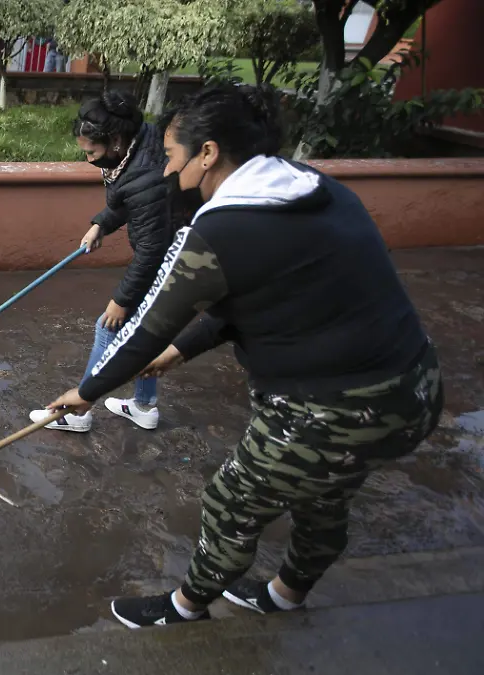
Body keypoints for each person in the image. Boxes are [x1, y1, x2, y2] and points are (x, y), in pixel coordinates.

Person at [43, 82, 443, 629]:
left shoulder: (219, 231)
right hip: (414, 389)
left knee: (231, 502)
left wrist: (84, 394)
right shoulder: (316, 189)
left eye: (171, 157)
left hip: (329, 410)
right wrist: (181, 352)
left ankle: (185, 608)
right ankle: (286, 593)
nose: (165, 172)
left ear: (207, 154)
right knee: (323, 495)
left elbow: (144, 330)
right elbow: (259, 296)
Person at [28, 91, 174, 433]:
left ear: (117, 141)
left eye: (92, 152)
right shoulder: (145, 141)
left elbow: (152, 249)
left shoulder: (146, 174)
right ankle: (143, 405)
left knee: (110, 325)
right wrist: (101, 224)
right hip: (169, 250)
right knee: (145, 331)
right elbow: (133, 195)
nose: (88, 159)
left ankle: (77, 412)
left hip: (170, 257)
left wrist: (122, 300)